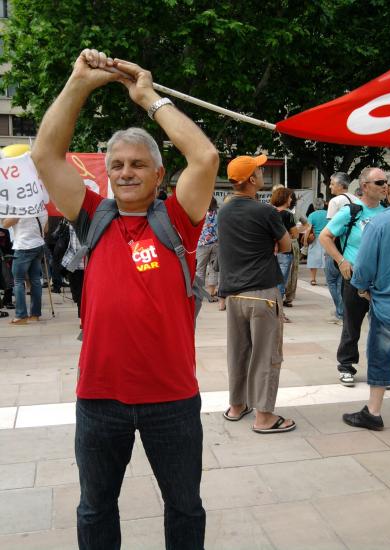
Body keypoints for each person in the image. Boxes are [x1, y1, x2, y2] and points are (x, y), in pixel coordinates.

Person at [31, 49, 219, 550]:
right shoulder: (92, 215)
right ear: (107, 174)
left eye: (138, 164)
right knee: (95, 508)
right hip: (99, 399)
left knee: (184, 508)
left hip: (173, 400)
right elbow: (45, 156)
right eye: (117, 165)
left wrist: (148, 98)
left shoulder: (178, 217)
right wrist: (78, 83)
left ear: (159, 175)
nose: (126, 171)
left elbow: (204, 158)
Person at [218, 154, 295, 434]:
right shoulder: (264, 212)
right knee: (266, 356)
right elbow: (286, 246)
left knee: (237, 353)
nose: (262, 174)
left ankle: (237, 406)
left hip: (235, 296)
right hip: (262, 293)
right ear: (251, 180)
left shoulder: (224, 211)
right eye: (259, 170)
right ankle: (264, 417)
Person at [343, 169, 390, 430]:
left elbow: (363, 267)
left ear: (388, 190)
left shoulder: (380, 223)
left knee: (381, 355)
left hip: (389, 304)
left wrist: (361, 288)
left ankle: (373, 412)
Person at [319, 167, 387, 386]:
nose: (385, 186)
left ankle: (379, 370)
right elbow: (325, 236)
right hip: (355, 277)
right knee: (352, 324)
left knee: (383, 327)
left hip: (381, 280)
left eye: (386, 182)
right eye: (379, 182)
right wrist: (341, 261)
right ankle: (346, 365)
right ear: (365, 186)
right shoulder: (352, 212)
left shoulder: (388, 212)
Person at [2, 211, 48, 324]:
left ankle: (21, 315)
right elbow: (46, 229)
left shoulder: (19, 208)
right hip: (38, 245)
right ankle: (35, 315)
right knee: (36, 281)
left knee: (18, 281)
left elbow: (5, 224)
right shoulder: (41, 208)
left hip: (23, 246)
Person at [324, 172, 357, 323]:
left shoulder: (335, 201)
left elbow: (330, 231)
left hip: (337, 248)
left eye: (332, 183)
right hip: (350, 248)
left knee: (332, 280)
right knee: (343, 281)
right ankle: (346, 310)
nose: (330, 186)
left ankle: (341, 311)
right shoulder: (356, 199)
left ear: (340, 185)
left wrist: (330, 250)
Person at [270, 187, 298, 322]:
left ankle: (271, 311)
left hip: (270, 252)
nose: (291, 199)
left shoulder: (268, 212)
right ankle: (278, 313)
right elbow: (295, 234)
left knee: (270, 283)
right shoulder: (288, 215)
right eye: (290, 197)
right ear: (285, 198)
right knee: (281, 283)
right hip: (285, 252)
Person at [195, 196, 219, 301]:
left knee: (200, 269)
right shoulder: (218, 214)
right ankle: (211, 295)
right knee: (213, 269)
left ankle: (199, 294)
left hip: (202, 245)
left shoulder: (200, 214)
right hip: (215, 244)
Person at [304, 197, 328, 286]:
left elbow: (308, 229)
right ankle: (327, 280)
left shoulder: (312, 215)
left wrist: (305, 241)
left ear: (314, 206)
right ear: (323, 205)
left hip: (315, 239)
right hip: (327, 238)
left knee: (313, 259)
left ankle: (313, 279)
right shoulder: (328, 214)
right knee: (326, 259)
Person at [284, 192, 300, 308]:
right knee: (292, 271)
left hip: (286, 245)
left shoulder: (289, 214)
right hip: (292, 244)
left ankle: (285, 297)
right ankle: (289, 297)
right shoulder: (294, 214)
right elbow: (306, 224)